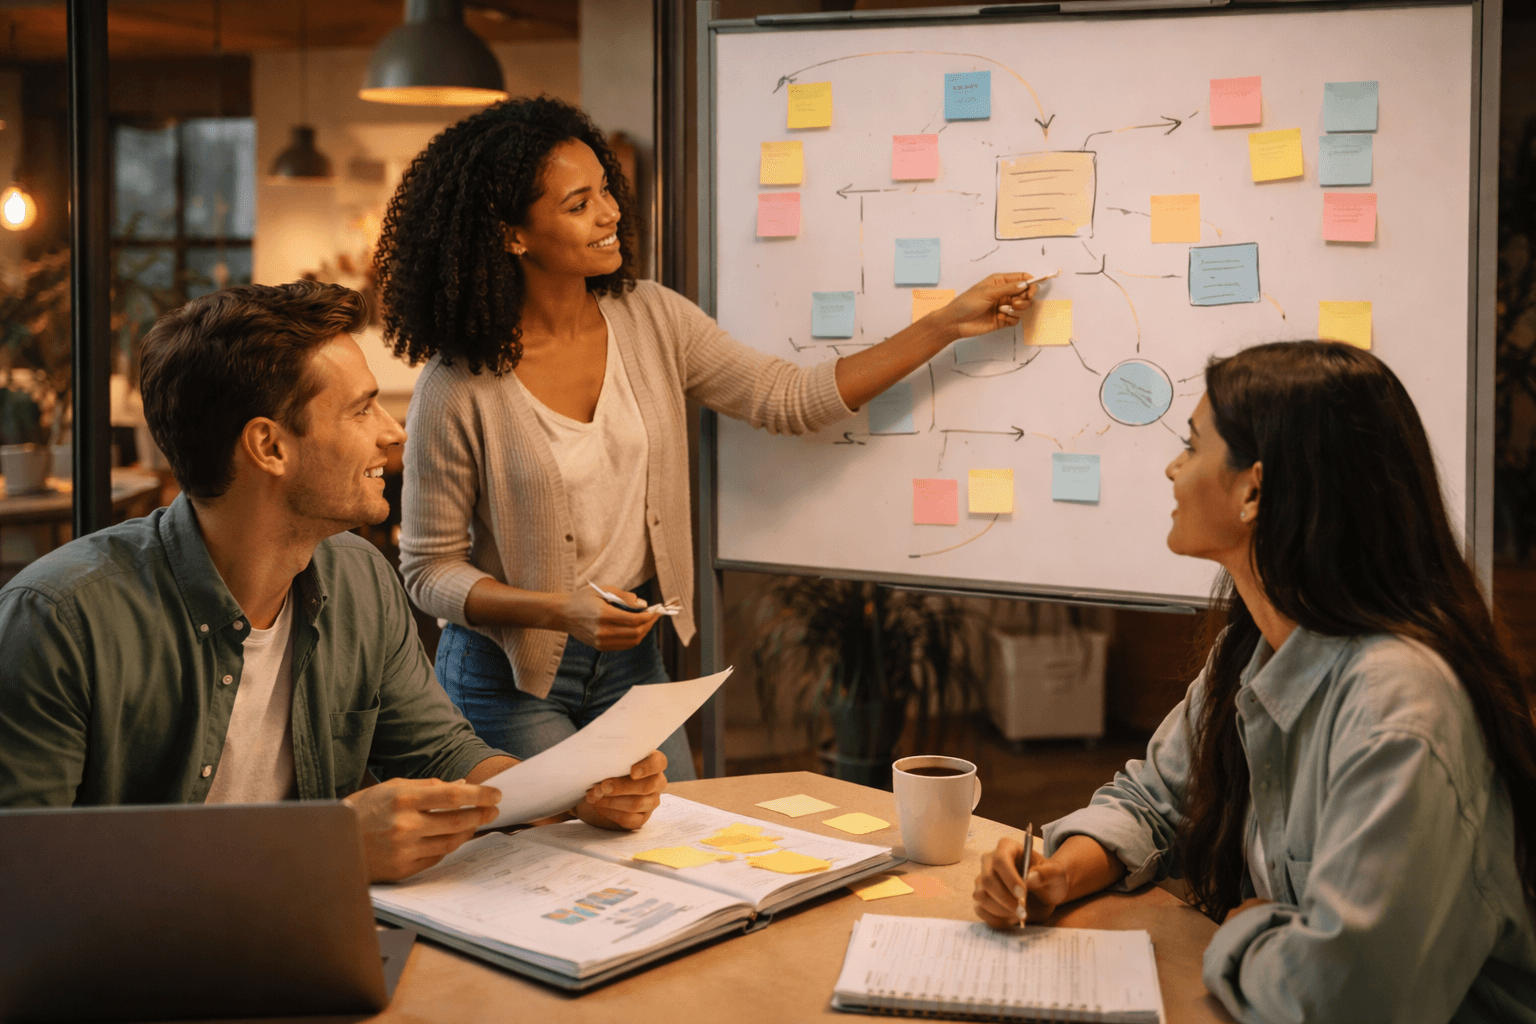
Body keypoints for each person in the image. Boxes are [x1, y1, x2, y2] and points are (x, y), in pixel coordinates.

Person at [378, 96, 1040, 777]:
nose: (610, 214)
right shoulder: (456, 386)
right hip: (505, 678)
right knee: (558, 861)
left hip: (633, 666)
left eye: (605, 189)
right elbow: (428, 572)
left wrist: (945, 325)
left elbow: (790, 398)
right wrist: (555, 610)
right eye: (578, 205)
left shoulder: (652, 319)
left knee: (671, 844)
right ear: (512, 234)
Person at [0, 281, 668, 883]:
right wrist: (327, 848)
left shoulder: (358, 576)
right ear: (270, 447)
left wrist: (568, 793)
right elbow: (24, 872)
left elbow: (440, 749)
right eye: (361, 410)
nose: (392, 432)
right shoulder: (57, 620)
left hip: (318, 941)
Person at [972, 341, 1536, 1023]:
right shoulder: (1257, 649)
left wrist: (1247, 925)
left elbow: (1341, 999)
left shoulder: (1401, 707)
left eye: (1191, 445)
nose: (1172, 468)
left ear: (1254, 490)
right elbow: (1154, 801)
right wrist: (1059, 873)